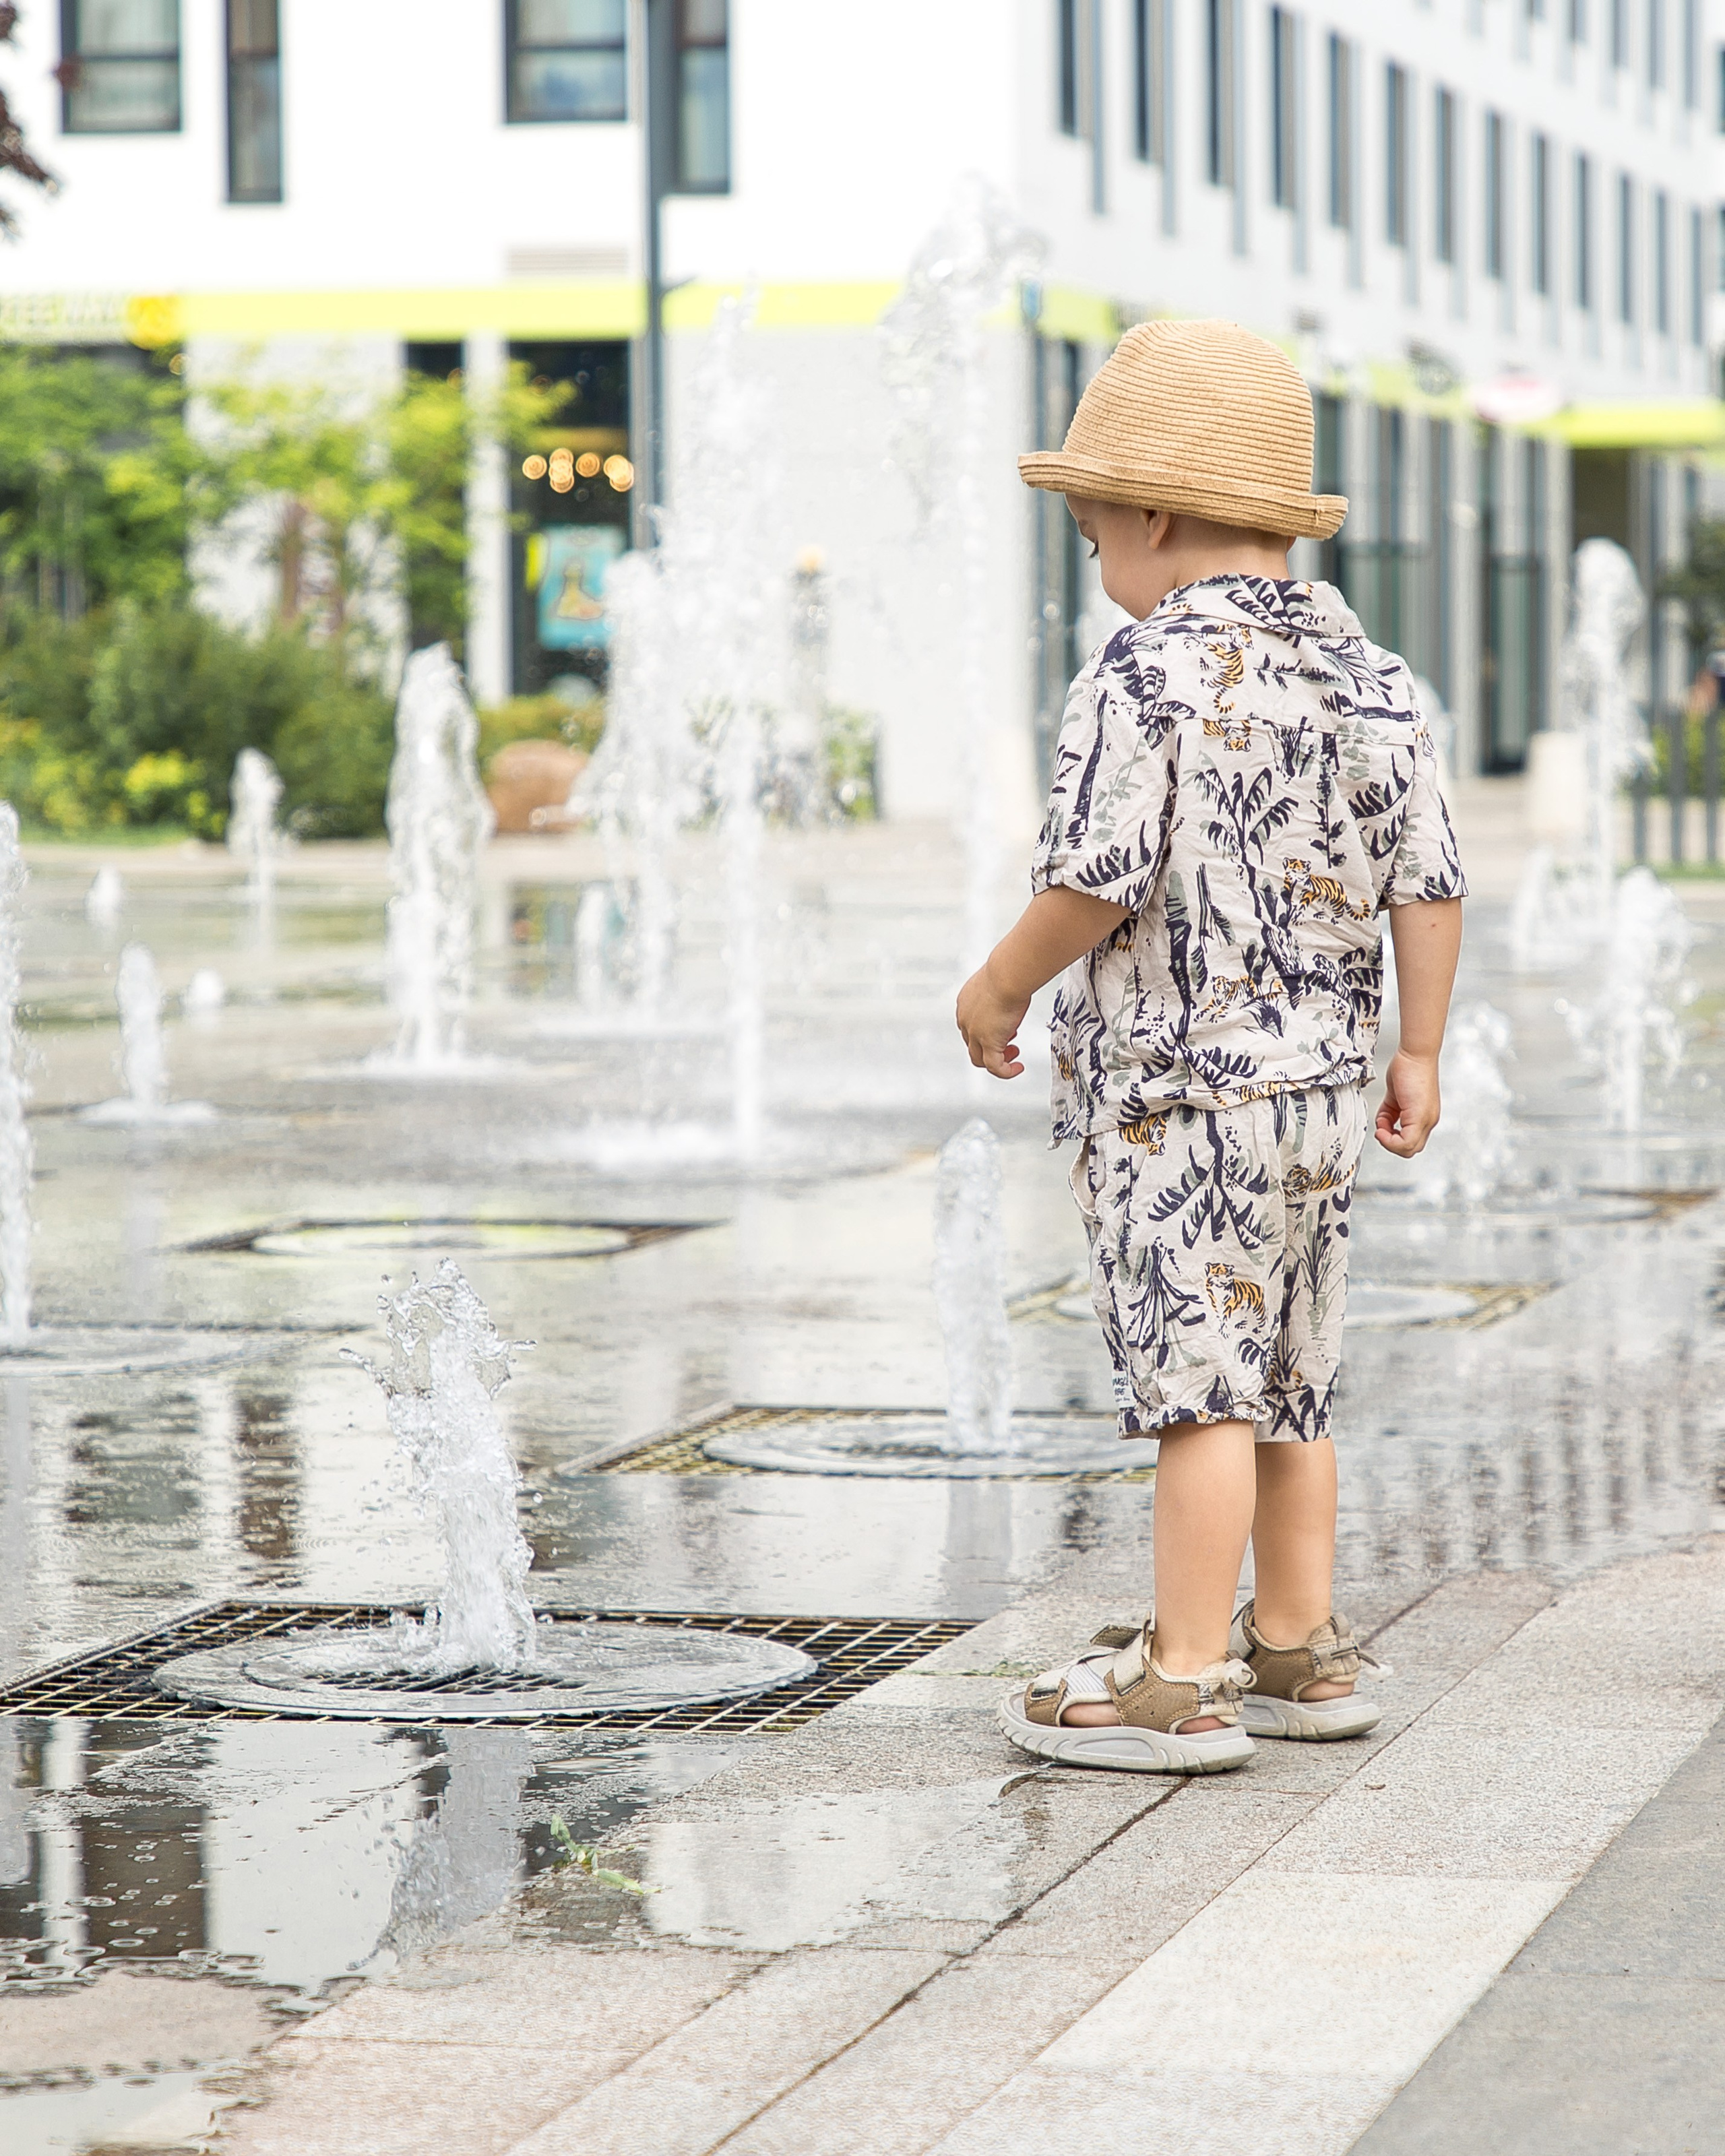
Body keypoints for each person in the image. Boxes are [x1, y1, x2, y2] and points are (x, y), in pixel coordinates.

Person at [957, 320, 1465, 1775]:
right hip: (1316, 1097)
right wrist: (1414, 1056)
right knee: (1292, 1380)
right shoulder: (1373, 676)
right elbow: (1425, 881)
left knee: (1199, 1390)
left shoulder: (1140, 674)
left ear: (1154, 517)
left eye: (1093, 530)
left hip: (1177, 1104)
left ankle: (1180, 1677)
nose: (1096, 561)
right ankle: (1299, 1645)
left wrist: (993, 989)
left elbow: (1095, 875)